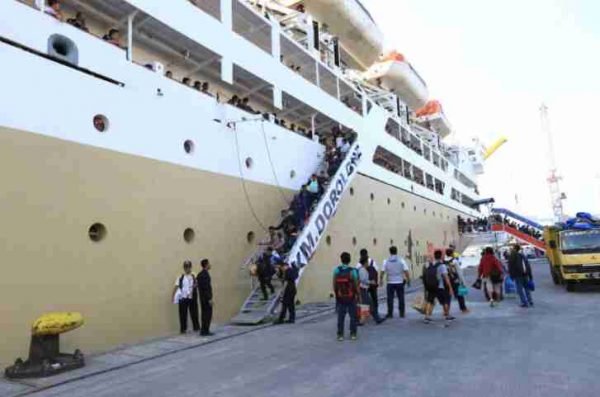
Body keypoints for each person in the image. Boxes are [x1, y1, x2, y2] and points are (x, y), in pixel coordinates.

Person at [422, 250, 455, 323]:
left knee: (430, 301)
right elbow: (446, 278)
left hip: (431, 286)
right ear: (441, 256)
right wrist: (450, 288)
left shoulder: (430, 264)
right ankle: (447, 315)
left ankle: (427, 317)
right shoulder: (442, 266)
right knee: (445, 301)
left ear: (434, 256)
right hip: (439, 286)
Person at [333, 252, 359, 341]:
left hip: (340, 298)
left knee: (341, 317)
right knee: (353, 316)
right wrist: (358, 295)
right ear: (349, 260)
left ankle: (340, 335)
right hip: (351, 297)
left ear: (341, 259)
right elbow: (356, 284)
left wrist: (337, 294)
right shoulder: (353, 271)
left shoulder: (337, 270)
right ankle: (353, 334)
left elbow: (334, 284)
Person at [380, 246, 410, 318]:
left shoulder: (385, 261)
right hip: (399, 282)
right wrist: (408, 279)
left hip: (390, 282)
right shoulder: (401, 260)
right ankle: (402, 313)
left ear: (390, 252)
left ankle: (390, 313)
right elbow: (406, 271)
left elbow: (382, 271)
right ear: (396, 251)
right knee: (401, 298)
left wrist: (380, 279)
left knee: (390, 299)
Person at [172, 261, 200, 334]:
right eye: (186, 267)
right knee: (182, 314)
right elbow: (176, 286)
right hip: (183, 297)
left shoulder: (194, 275)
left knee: (194, 312)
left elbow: (198, 283)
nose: (187, 268)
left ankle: (196, 327)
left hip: (192, 297)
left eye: (188, 267)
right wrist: (173, 296)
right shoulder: (180, 277)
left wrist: (195, 285)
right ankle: (183, 329)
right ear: (184, 268)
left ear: (190, 267)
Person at [358, 257, 384, 324]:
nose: (368, 264)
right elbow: (363, 280)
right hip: (362, 289)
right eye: (367, 262)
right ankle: (377, 319)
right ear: (365, 263)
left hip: (364, 289)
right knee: (369, 304)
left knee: (365, 305)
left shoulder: (362, 269)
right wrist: (371, 282)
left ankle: (362, 321)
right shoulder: (362, 270)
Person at [445, 248, 469, 313]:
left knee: (447, 296)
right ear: (452, 254)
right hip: (455, 280)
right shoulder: (454, 261)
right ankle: (463, 309)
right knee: (460, 295)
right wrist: (463, 281)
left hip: (446, 280)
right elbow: (459, 272)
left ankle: (446, 311)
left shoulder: (443, 261)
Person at [196, 259, 214, 336]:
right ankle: (205, 330)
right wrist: (209, 298)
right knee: (208, 314)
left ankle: (204, 330)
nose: (210, 265)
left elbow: (198, 285)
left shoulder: (199, 275)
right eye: (209, 263)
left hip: (201, 298)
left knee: (204, 314)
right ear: (206, 265)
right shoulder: (205, 275)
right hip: (206, 298)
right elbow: (206, 288)